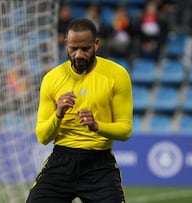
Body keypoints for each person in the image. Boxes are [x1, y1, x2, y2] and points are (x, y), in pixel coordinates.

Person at [26, 18, 133, 203]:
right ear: (66, 43)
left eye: (85, 49)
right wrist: (58, 114)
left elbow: (125, 131)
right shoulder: (52, 78)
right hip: (61, 161)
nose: (78, 55)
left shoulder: (117, 75)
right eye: (73, 48)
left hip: (99, 164)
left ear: (96, 44)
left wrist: (97, 125)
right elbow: (43, 137)